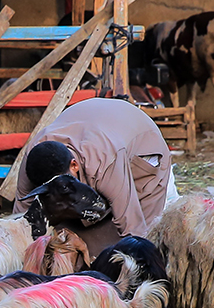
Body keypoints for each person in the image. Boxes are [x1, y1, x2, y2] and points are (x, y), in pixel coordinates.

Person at [12, 98, 171, 254]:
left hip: (140, 150)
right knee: (66, 241)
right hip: (96, 127)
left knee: (135, 243)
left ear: (74, 165)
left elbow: (133, 228)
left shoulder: (105, 162)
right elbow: (22, 221)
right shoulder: (32, 159)